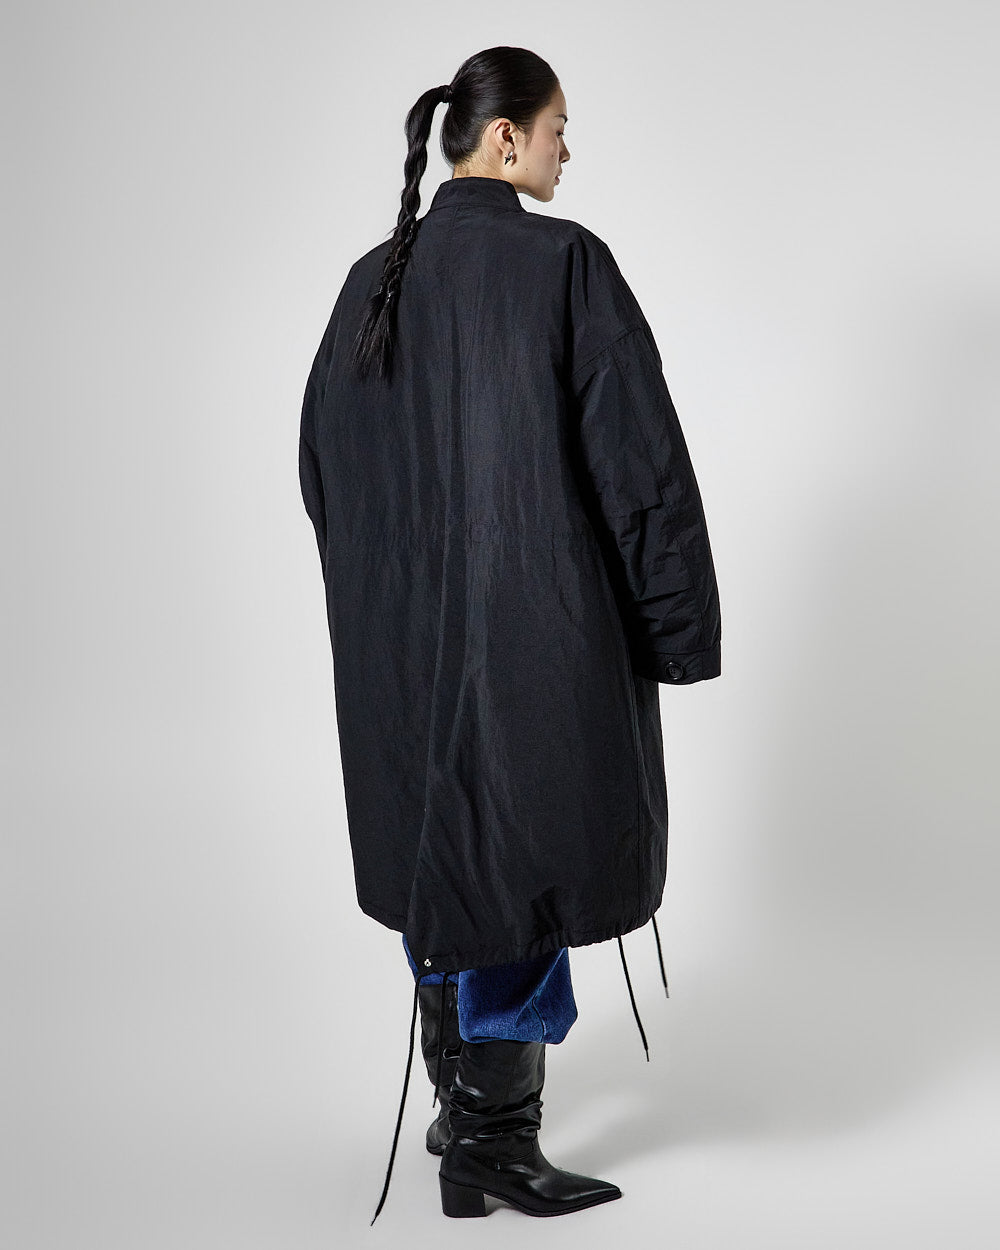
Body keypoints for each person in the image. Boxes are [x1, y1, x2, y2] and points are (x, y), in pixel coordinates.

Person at [298, 45, 722, 1224]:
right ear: (503, 138)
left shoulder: (372, 279)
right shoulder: (562, 263)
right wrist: (675, 628)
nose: (565, 149)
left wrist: (381, 606)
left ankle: (464, 1117)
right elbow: (640, 471)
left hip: (404, 654)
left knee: (452, 865)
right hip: (538, 637)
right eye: (556, 127)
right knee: (522, 865)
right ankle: (491, 1135)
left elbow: (321, 469)